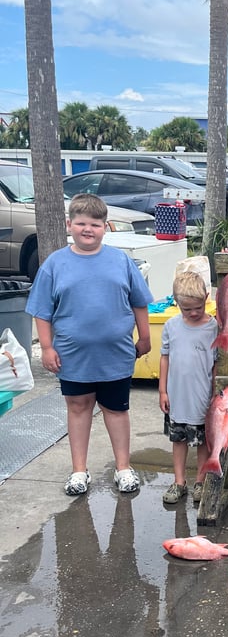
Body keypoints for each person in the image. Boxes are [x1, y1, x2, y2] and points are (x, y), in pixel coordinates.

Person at [26, 193, 153, 496]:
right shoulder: (55, 265)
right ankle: (79, 471)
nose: (88, 229)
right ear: (69, 224)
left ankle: (123, 468)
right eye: (81, 223)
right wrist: (46, 347)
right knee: (79, 408)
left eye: (95, 224)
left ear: (106, 227)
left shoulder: (120, 261)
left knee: (116, 410)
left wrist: (145, 337)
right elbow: (42, 311)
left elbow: (139, 303)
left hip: (116, 355)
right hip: (72, 356)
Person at [159, 272, 218, 504]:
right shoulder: (171, 326)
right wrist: (163, 390)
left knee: (203, 441)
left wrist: (215, 393)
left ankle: (200, 481)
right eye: (187, 309)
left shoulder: (213, 327)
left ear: (206, 298)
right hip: (177, 395)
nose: (193, 313)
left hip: (202, 396)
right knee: (179, 439)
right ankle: (179, 481)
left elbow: (215, 365)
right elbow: (165, 357)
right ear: (176, 302)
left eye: (198, 307)